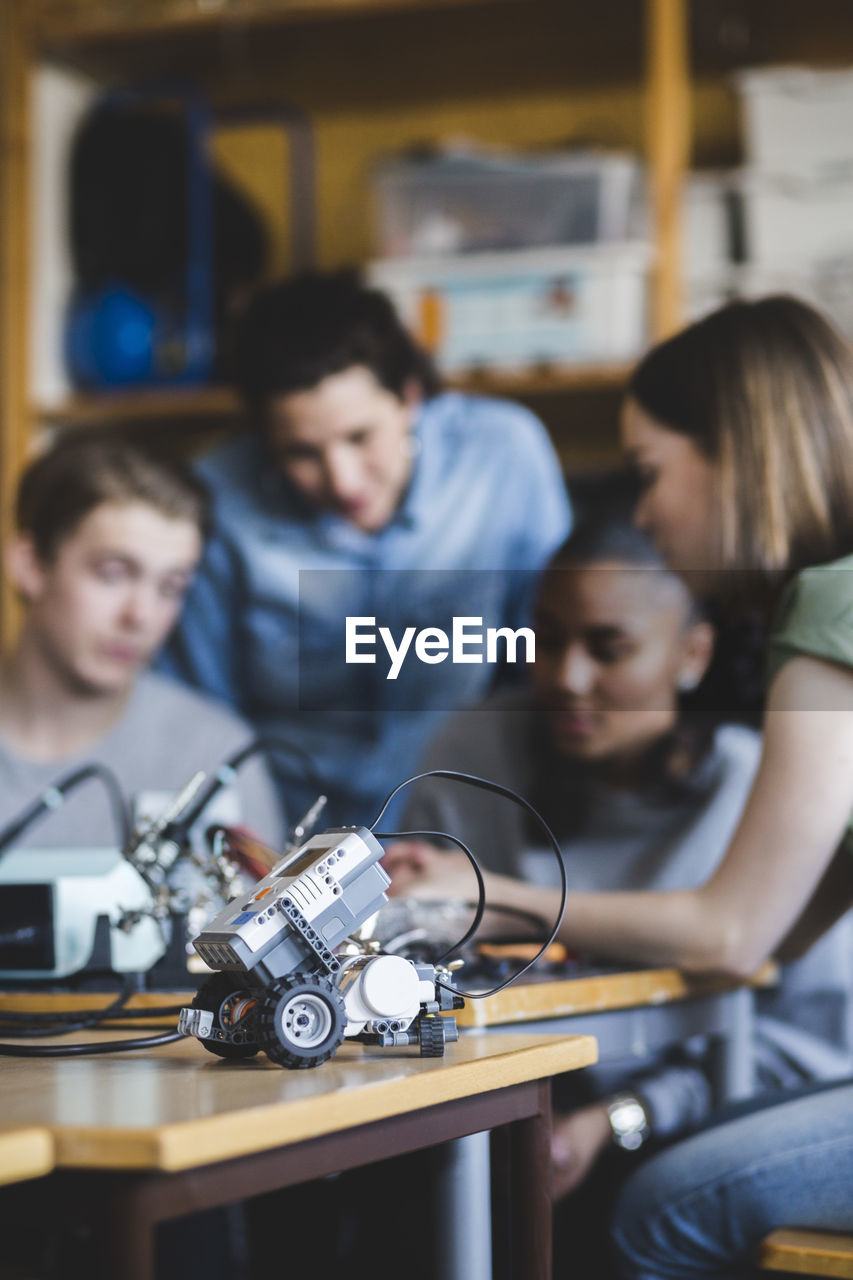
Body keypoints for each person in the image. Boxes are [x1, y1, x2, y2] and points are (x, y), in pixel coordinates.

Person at [388, 296, 853, 1276]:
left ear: (738, 449)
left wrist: (491, 893)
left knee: (656, 1205)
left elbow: (729, 932)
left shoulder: (828, 609)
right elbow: (767, 941)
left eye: (649, 473)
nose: (640, 513)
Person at [160, 269, 571, 828]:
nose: (344, 481)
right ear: (262, 439)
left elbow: (543, 665)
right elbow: (201, 712)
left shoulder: (503, 455)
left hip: (464, 814)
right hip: (285, 828)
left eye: (360, 438)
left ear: (409, 397)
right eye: (302, 453)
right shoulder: (217, 499)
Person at [0, 433, 283, 861]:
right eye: (113, 574)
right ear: (31, 565)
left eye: (171, 587)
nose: (142, 616)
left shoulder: (217, 760)